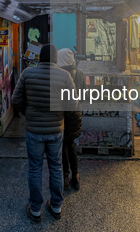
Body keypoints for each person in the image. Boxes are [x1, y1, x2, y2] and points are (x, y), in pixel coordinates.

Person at [12, 44, 77, 223]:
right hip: (56, 130)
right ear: (56, 58)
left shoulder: (27, 73)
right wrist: (60, 116)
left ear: (40, 57)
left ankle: (35, 210)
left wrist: (29, 113)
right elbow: (72, 104)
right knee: (56, 167)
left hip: (34, 130)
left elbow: (15, 99)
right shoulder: (65, 75)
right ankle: (56, 206)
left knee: (35, 168)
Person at [57, 48, 84, 191]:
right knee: (71, 143)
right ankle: (76, 175)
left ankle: (66, 176)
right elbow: (84, 95)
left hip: (63, 114)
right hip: (76, 114)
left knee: (63, 145)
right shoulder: (79, 74)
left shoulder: (60, 74)